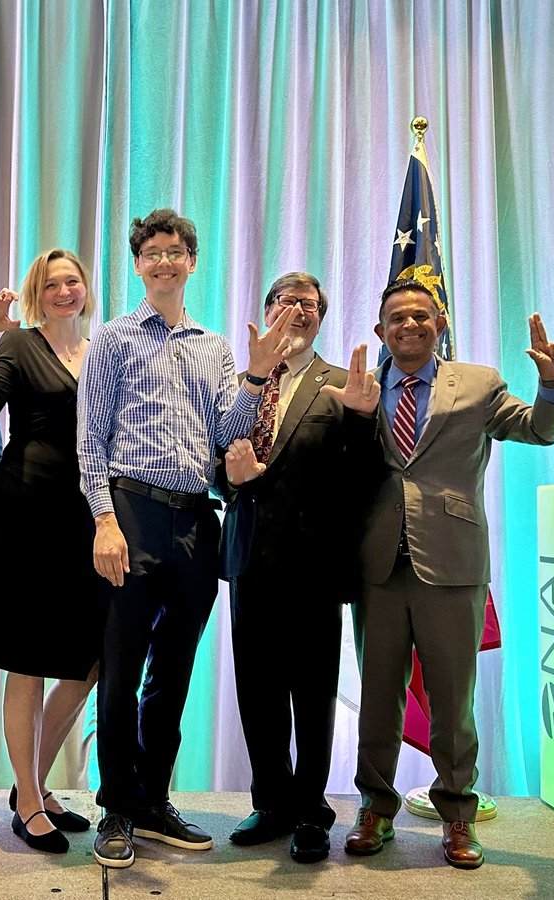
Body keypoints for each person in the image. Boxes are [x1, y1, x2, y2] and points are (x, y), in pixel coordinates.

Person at [324, 278, 554, 870]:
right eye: (397, 318)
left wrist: (552, 384)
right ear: (381, 331)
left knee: (451, 701)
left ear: (440, 323)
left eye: (421, 316)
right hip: (378, 566)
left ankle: (458, 815)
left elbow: (538, 430)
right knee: (378, 696)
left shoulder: (479, 383)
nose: (409, 325)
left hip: (453, 563)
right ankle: (375, 809)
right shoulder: (355, 387)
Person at [77, 208, 295, 868]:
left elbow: (228, 428)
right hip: (132, 513)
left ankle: (152, 799)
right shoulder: (112, 340)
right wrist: (104, 521)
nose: (166, 261)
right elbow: (90, 437)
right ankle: (115, 806)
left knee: (172, 674)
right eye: (153, 253)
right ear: (138, 265)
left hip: (197, 519)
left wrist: (256, 376)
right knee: (120, 672)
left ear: (192, 262)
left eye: (177, 251)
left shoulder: (216, 346)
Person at [219, 272, 374, 864]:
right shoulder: (241, 380)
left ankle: (312, 808)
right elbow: (214, 456)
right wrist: (226, 479)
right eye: (285, 302)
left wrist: (361, 419)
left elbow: (363, 476)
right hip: (249, 557)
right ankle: (272, 800)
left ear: (321, 317)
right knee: (256, 689)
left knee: (312, 694)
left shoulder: (345, 385)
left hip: (313, 563)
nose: (297, 311)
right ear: (266, 310)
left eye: (308, 304)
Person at [0, 248, 100, 854]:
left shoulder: (102, 349)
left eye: (72, 281)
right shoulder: (17, 344)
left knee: (88, 660)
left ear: (86, 289)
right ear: (36, 293)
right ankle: (26, 798)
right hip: (25, 511)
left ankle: (34, 785)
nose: (63, 291)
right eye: (52, 284)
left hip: (88, 514)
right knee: (28, 661)